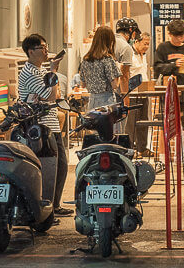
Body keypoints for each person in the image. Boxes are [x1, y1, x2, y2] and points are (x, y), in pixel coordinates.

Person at [18, 33, 71, 217]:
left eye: (46, 46)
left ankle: (53, 206)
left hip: (51, 124)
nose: (46, 50)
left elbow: (54, 95)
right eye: (42, 47)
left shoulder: (40, 71)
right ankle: (46, 211)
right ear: (31, 51)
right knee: (48, 168)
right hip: (39, 127)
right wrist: (54, 71)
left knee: (62, 165)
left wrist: (51, 76)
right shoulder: (29, 72)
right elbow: (49, 95)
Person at [154, 19, 184, 131]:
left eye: (182, 36)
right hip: (168, 94)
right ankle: (165, 149)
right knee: (167, 128)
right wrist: (174, 65)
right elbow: (157, 68)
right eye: (177, 36)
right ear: (170, 34)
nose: (180, 39)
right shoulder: (163, 48)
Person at [80, 26, 122, 110]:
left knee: (94, 123)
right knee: (108, 123)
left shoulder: (86, 59)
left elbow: (83, 84)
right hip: (106, 101)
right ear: (110, 41)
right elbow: (114, 85)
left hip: (92, 101)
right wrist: (119, 70)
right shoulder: (107, 59)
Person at [125, 32, 153, 155]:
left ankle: (142, 148)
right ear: (136, 42)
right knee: (131, 122)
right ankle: (130, 149)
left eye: (148, 44)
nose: (147, 46)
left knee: (144, 120)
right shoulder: (130, 54)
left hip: (144, 92)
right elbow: (125, 74)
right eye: (145, 43)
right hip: (132, 93)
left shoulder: (144, 55)